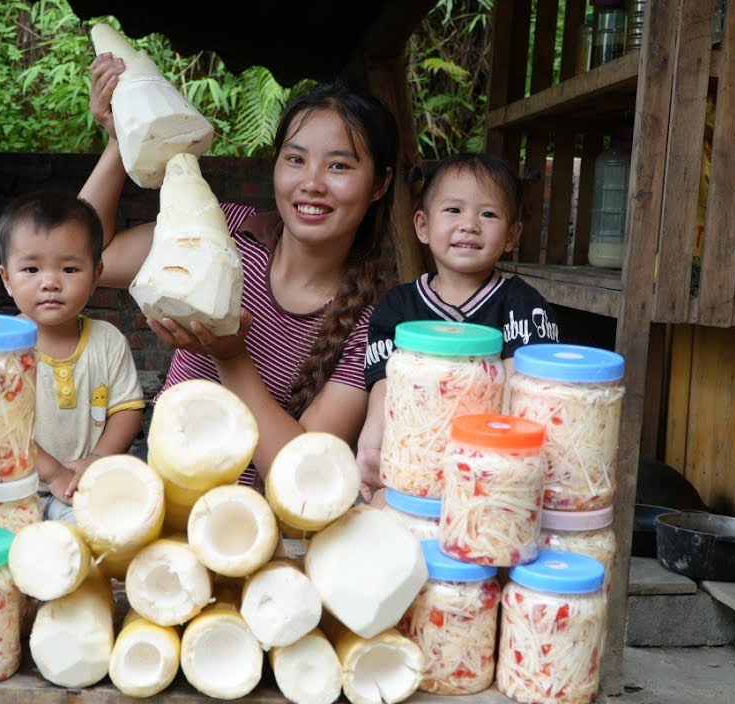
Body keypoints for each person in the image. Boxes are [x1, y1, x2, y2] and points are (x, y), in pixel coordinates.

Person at [79, 53, 399, 485]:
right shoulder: (224, 228)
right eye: (296, 159)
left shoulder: (375, 322)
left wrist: (229, 355)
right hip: (161, 504)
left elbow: (300, 474)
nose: (312, 182)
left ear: (380, 183)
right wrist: (123, 142)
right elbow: (90, 259)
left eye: (339, 165)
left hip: (255, 532)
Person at [356, 152, 560, 500]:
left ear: (512, 235)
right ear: (422, 225)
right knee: (381, 507)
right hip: (417, 462)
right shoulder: (399, 306)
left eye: (488, 214)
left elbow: (519, 393)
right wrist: (373, 444)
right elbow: (386, 385)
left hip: (491, 471)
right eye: (453, 210)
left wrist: (498, 464)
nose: (470, 224)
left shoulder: (521, 304)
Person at [0, 190, 145, 522]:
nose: (50, 282)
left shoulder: (108, 342)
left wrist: (98, 458)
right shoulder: (2, 349)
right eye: (32, 269)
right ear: (7, 279)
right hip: (11, 491)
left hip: (82, 489)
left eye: (69, 269)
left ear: (96, 276)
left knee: (94, 533)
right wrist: (51, 472)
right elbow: (2, 428)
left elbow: (127, 409)